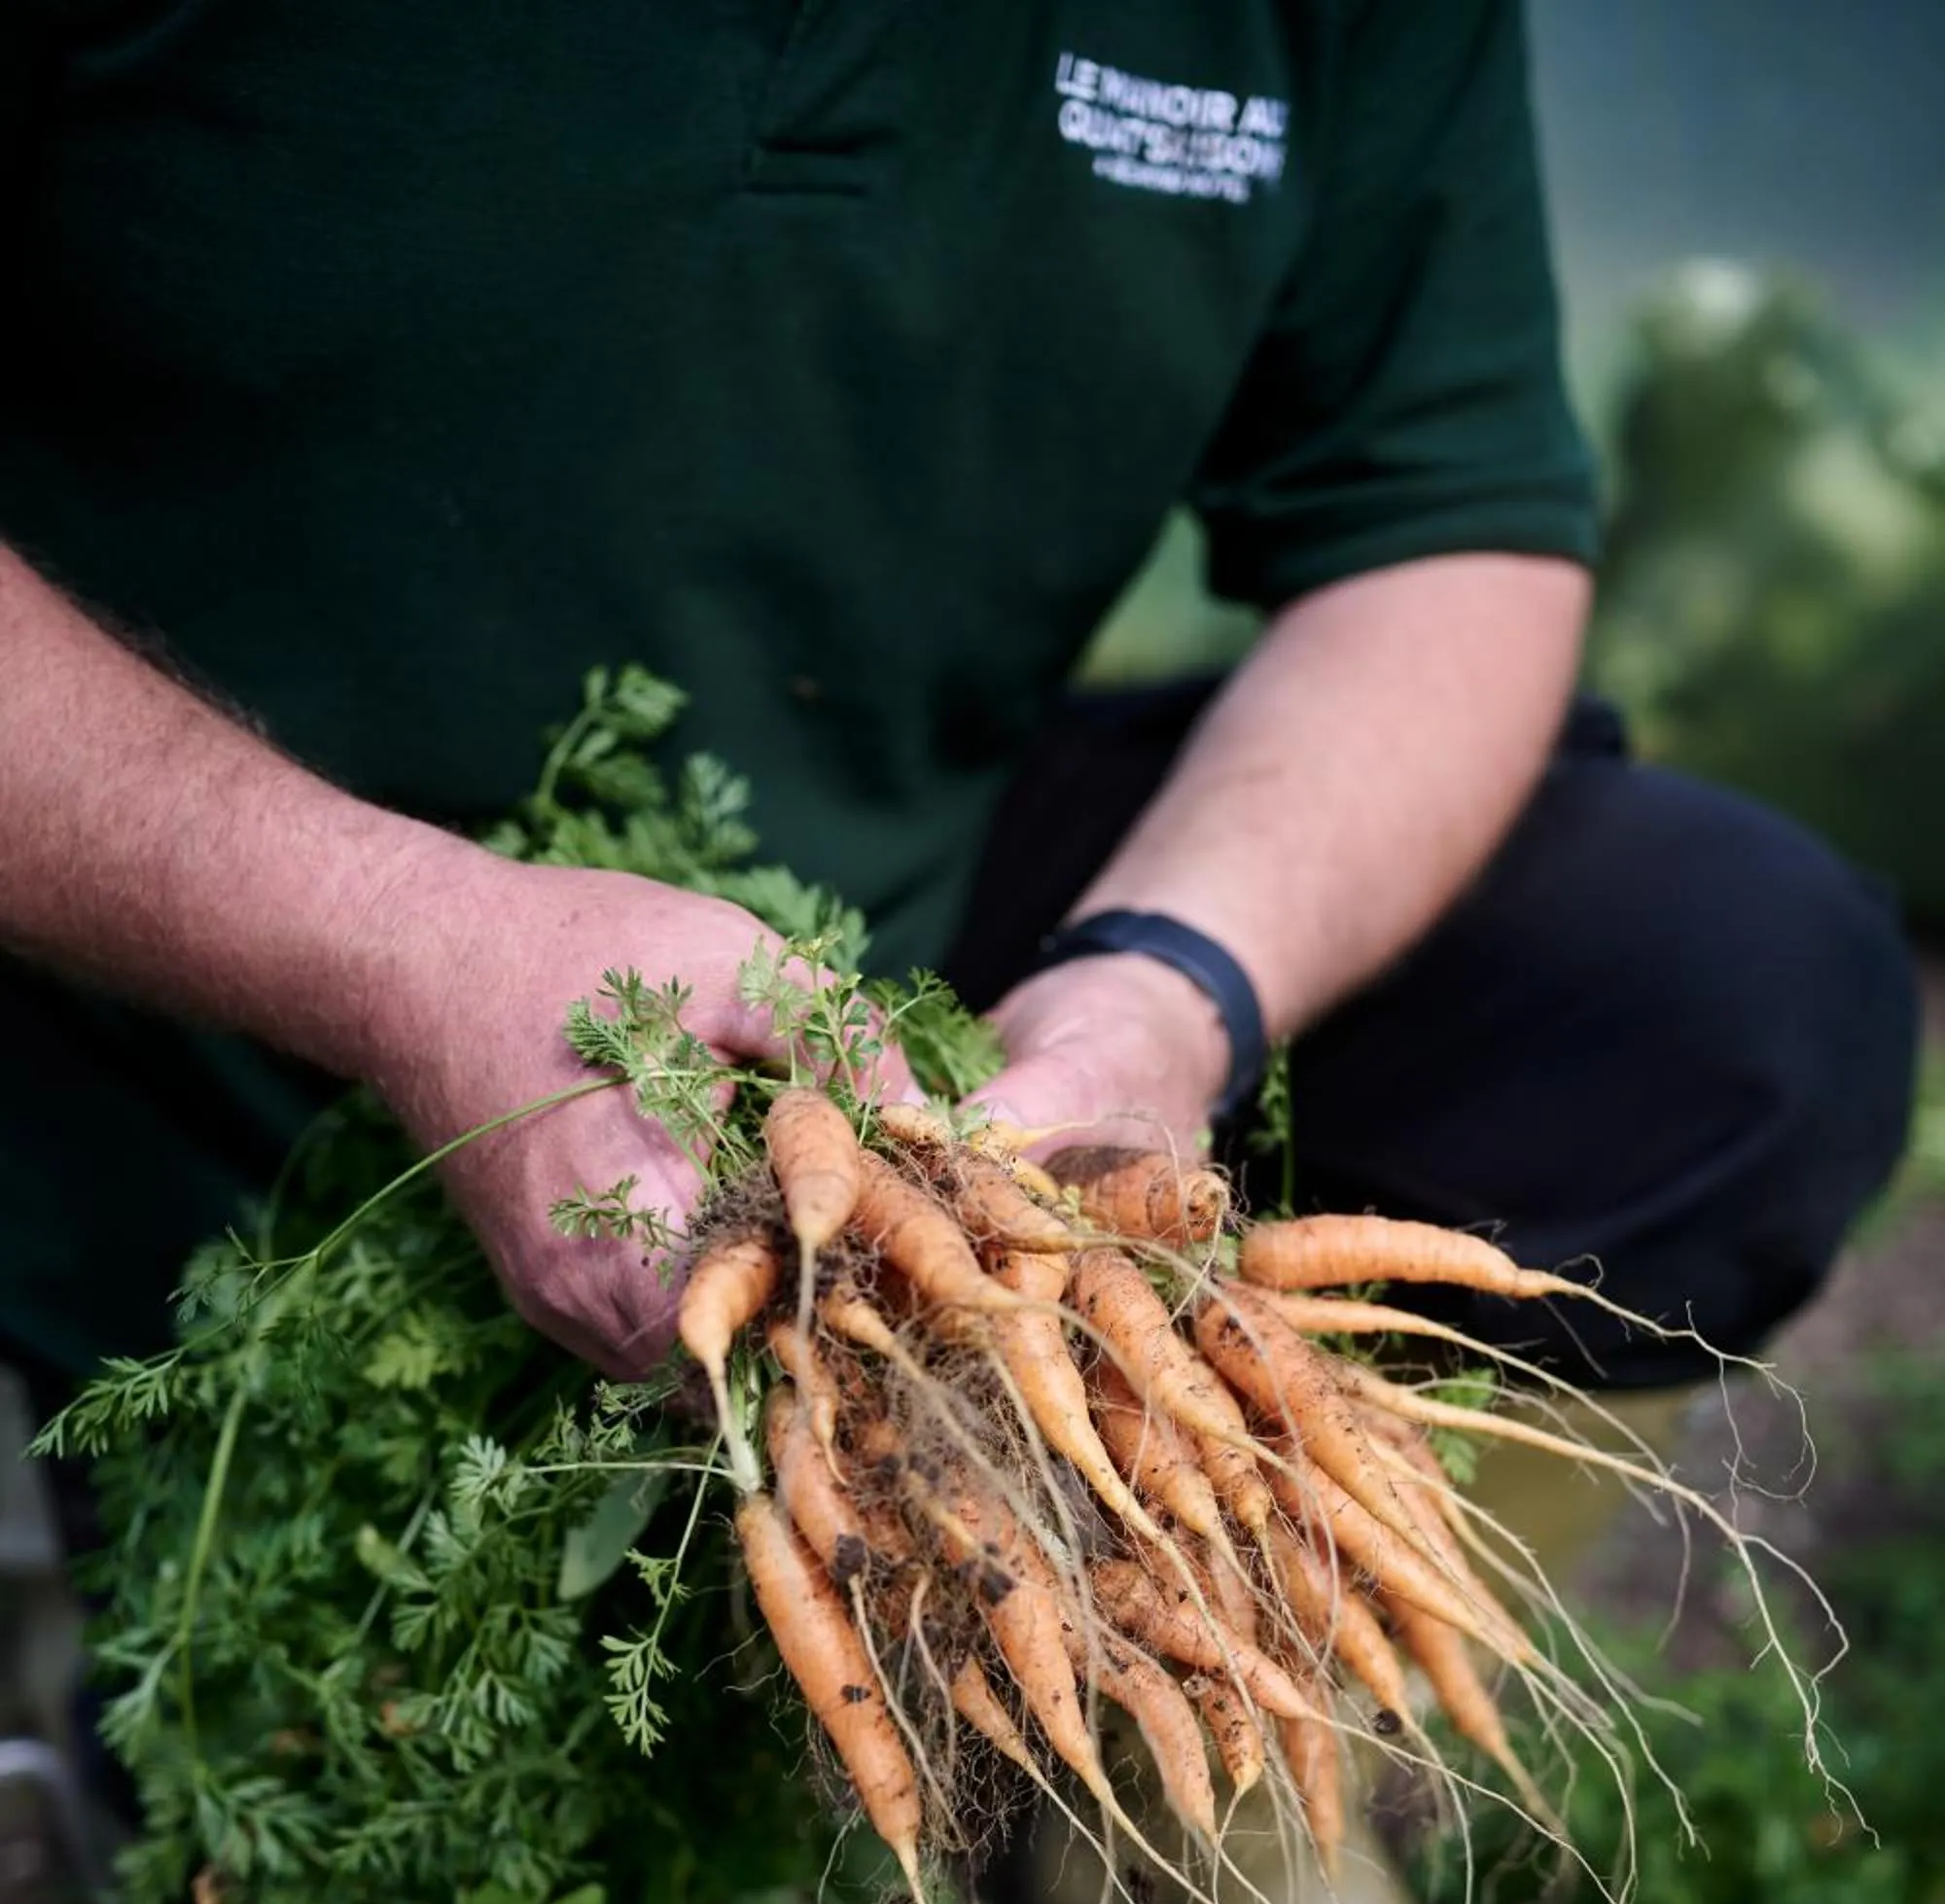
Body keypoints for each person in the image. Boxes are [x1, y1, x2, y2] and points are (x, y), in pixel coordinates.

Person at [0, 2, 1915, 1417]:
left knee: (1721, 994)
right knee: (315, 1862)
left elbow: (1444, 531)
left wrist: (1165, 993)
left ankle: (1133, 1650)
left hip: (898, 995)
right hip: (133, 1008)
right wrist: (392, 943)